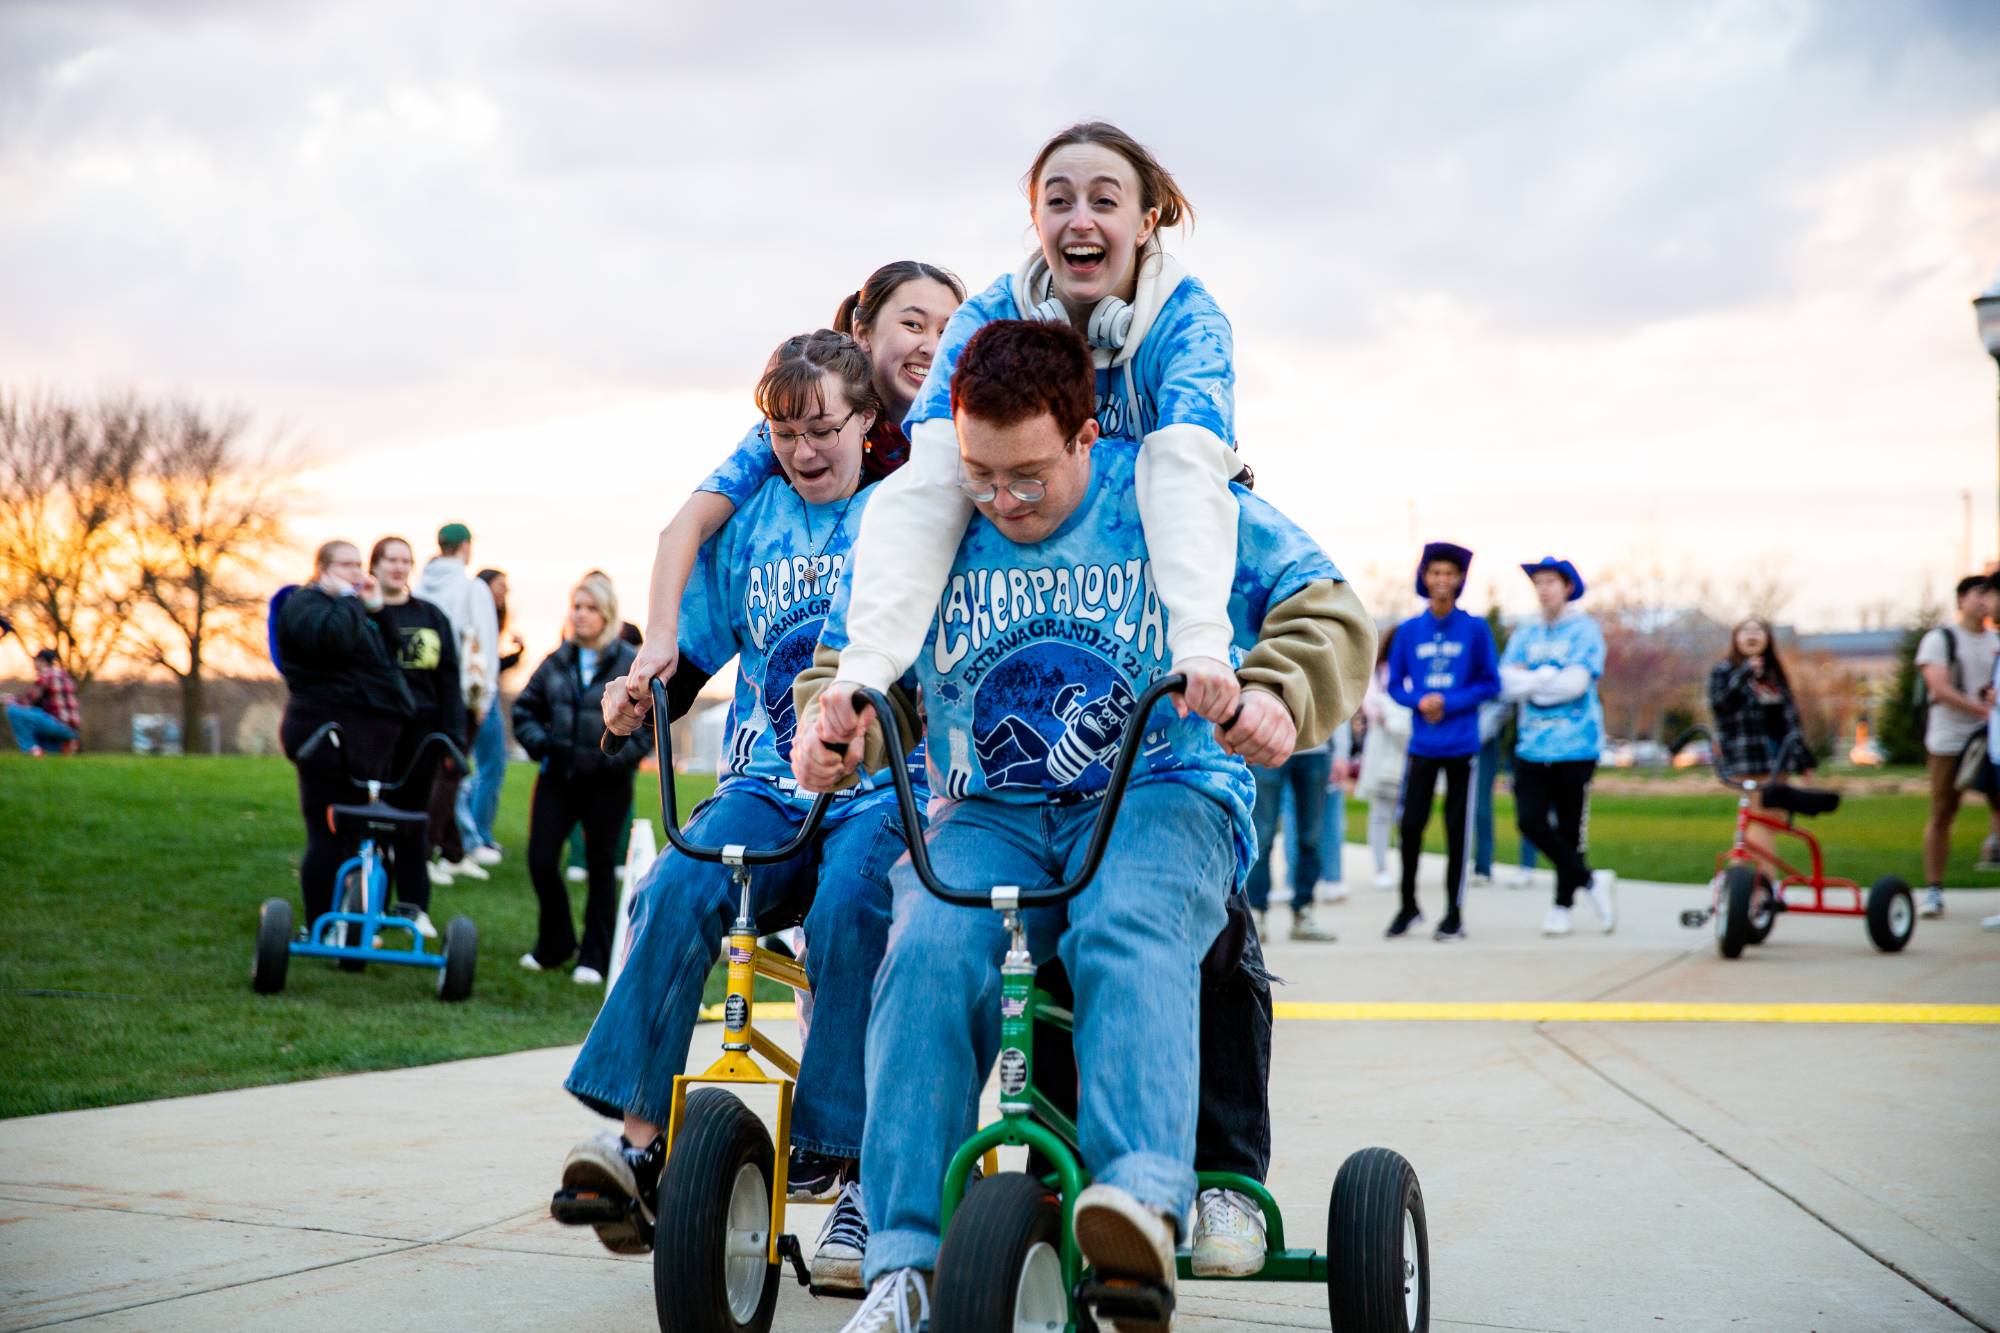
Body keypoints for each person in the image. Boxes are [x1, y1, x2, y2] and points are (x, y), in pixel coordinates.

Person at [791, 320, 1373, 1331]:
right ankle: (906, 1261)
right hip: (990, 807)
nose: (1003, 502)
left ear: (1086, 436)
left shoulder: (1167, 495)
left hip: (1162, 788)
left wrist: (1277, 688)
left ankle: (1138, 1205)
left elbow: (1325, 605)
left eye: (1029, 477)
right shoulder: (935, 517)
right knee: (926, 946)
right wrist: (835, 727)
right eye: (980, 474)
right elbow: (861, 658)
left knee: (1124, 921)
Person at [557, 331, 913, 1292]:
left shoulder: (904, 515)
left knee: (854, 906)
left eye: (825, 427)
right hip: (764, 785)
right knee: (677, 880)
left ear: (868, 421)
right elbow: (690, 654)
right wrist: (644, 690)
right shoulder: (752, 525)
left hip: (879, 788)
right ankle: (637, 1145)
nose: (805, 449)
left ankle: (837, 1150)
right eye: (786, 432)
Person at [825, 121, 1249, 770]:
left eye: (1104, 201)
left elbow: (1185, 474)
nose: (1079, 220)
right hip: (1027, 586)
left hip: (1147, 586)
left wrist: (1199, 638)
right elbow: (928, 488)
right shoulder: (982, 320)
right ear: (1036, 219)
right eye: (1058, 201)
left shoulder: (1189, 322)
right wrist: (867, 668)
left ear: (1145, 223)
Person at [617, 260, 967, 710]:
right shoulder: (802, 420)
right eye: (913, 324)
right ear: (863, 334)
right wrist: (659, 642)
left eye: (949, 331)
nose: (931, 345)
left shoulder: (962, 432)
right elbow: (687, 525)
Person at [273, 541, 415, 925]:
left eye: (358, 564)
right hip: (324, 736)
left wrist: (376, 610)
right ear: (321, 568)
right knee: (327, 832)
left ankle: (356, 921)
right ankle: (320, 920)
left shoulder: (352, 605)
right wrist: (350, 602)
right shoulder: (305, 604)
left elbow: (391, 653)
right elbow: (334, 641)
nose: (357, 572)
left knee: (363, 836)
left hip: (370, 740)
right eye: (346, 565)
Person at [511, 573, 644, 983]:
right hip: (558, 778)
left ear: (606, 615)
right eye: (577, 606)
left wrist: (615, 760)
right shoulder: (557, 659)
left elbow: (651, 726)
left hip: (607, 784)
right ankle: (555, 944)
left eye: (590, 608)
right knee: (541, 860)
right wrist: (543, 744)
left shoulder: (628, 662)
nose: (581, 615)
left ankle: (594, 957)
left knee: (602, 868)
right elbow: (524, 711)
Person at [1385, 543, 1500, 941]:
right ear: (1424, 577)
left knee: (1456, 831)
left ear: (1460, 580)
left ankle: (1454, 913)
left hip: (1461, 747)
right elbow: (1395, 685)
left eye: (1449, 573)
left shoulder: (1475, 629)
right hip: (1421, 746)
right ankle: (1407, 905)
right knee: (1411, 827)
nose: (1441, 580)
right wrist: (1420, 700)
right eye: (1435, 573)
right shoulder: (1409, 631)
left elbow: (1491, 683)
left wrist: (1449, 702)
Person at [1498, 556, 1616, 937]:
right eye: (1539, 582)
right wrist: (1547, 676)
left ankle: (1562, 906)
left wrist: (1532, 679)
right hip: (1532, 745)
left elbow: (1575, 685)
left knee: (1568, 830)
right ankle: (1590, 879)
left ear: (1567, 587)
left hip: (1576, 745)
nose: (1544, 588)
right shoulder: (1525, 633)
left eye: (1551, 581)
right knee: (1529, 821)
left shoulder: (1585, 631)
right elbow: (1506, 683)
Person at [367, 536, 465, 939]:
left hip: (421, 738)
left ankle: (412, 908)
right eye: (390, 559)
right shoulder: (360, 613)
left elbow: (449, 681)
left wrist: (452, 740)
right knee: (369, 826)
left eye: (405, 560)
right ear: (374, 564)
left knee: (411, 824)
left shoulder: (431, 615)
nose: (398, 567)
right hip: (371, 736)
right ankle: (367, 909)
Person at [415, 522, 501, 885]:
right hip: (462, 694)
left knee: (437, 770)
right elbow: (485, 642)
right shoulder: (472, 588)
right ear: (465, 546)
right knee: (449, 773)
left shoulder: (420, 585)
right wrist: (485, 696)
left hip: (424, 691)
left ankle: (453, 852)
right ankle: (425, 852)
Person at [1915, 574, 2000, 917]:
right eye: (1980, 594)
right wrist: (1984, 708)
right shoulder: (1941, 639)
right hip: (1950, 739)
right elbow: (1939, 688)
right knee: (1942, 812)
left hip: (1991, 736)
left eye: (1989, 594)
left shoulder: (1994, 639)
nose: (1985, 601)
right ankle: (1933, 889)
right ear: (1962, 599)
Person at [1706, 617, 1811, 867]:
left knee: (1772, 819)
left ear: (1767, 638)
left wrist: (1803, 758)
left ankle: (1744, 884)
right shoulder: (1725, 671)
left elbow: (1790, 719)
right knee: (1757, 818)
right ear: (1736, 638)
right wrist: (1744, 674)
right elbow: (1721, 705)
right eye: (1745, 630)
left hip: (1778, 757)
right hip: (1748, 756)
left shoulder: (1774, 675)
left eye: (1758, 630)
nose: (1752, 635)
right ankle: (1753, 886)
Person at [1247, 743, 1339, 941]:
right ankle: (1256, 913)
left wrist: (1341, 753)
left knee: (1311, 838)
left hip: (1315, 748)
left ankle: (1303, 912)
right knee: (1261, 836)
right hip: (1266, 744)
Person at [461, 567, 521, 859]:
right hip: (480, 696)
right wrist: (481, 700)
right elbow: (478, 661)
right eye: (500, 585)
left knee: (485, 770)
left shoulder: (496, 617)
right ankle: (476, 837)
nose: (505, 591)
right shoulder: (478, 612)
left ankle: (473, 834)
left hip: (486, 692)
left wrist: (515, 656)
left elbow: (492, 663)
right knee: (490, 768)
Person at [1357, 627, 1412, 889]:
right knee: (1380, 812)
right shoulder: (1377, 673)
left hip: (1408, 750)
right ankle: (1380, 867)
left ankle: (1406, 866)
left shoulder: (1414, 672)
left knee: (1407, 814)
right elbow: (1371, 708)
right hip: (1381, 750)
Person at [6, 648, 80, 756]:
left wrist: (11, 699)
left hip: (56, 725)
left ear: (42, 661)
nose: (34, 665)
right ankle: (63, 744)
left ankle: (31, 749)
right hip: (71, 729)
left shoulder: (46, 674)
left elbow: (27, 701)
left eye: (36, 661)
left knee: (13, 710)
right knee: (48, 752)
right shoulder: (64, 675)